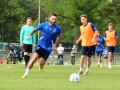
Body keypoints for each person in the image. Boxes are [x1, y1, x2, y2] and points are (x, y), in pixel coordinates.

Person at [21, 13, 62, 78]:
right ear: (49, 18)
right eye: (52, 19)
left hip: (48, 48)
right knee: (34, 58)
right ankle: (26, 74)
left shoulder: (58, 28)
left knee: (41, 63)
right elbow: (35, 30)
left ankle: (41, 66)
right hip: (40, 44)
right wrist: (29, 35)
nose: (54, 20)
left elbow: (59, 36)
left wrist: (55, 45)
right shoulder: (44, 24)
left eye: (55, 19)